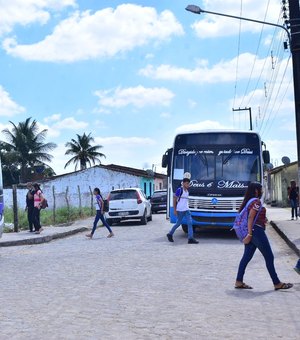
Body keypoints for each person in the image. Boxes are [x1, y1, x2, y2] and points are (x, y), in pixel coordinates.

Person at [235, 182, 293, 290]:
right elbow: (250, 218)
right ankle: (277, 283)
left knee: (246, 257)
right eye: (261, 189)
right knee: (269, 256)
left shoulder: (249, 201)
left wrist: (262, 220)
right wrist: (250, 234)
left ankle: (239, 281)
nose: (262, 191)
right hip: (256, 232)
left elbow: (253, 216)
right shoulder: (256, 202)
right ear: (256, 190)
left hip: (253, 230)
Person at [166, 176, 199, 244]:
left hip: (186, 209)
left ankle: (190, 238)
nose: (188, 185)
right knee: (178, 223)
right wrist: (175, 210)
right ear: (183, 183)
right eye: (187, 183)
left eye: (188, 184)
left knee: (190, 223)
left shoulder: (187, 191)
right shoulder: (179, 190)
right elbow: (175, 199)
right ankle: (170, 234)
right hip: (180, 210)